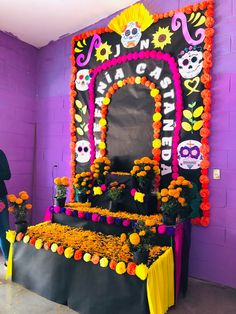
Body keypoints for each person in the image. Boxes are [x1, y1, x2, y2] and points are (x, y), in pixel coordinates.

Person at [0, 149, 11, 265]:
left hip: (0, 197)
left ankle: (8, 260)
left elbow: (7, 174)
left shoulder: (0, 153)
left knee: (4, 230)